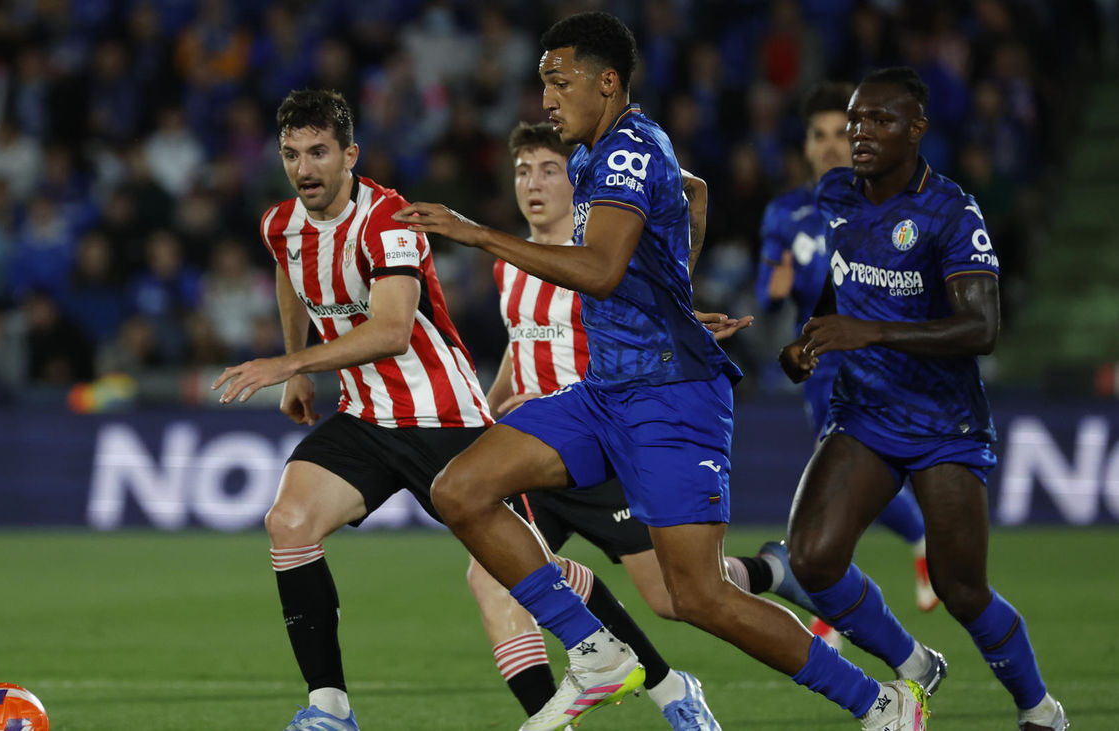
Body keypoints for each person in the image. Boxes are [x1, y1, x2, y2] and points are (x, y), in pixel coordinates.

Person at [394, 13, 929, 731]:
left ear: (607, 82)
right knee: (460, 489)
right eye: (543, 82)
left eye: (560, 81)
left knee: (698, 596)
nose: (546, 98)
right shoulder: (600, 151)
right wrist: (674, 293)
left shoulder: (624, 153)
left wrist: (475, 231)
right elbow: (696, 192)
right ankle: (595, 651)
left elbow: (602, 268)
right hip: (604, 391)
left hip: (671, 398)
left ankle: (878, 701)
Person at [212, 89, 714, 731]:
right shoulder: (280, 224)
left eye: (318, 153)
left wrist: (287, 365)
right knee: (289, 522)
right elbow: (290, 267)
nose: (305, 169)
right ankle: (329, 708)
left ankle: (660, 679)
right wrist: (295, 362)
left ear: (349, 155)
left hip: (442, 415)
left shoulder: (387, 218)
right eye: (291, 154)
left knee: (530, 570)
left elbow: (393, 330)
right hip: (368, 417)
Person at [780, 67, 1068, 731]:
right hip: (863, 412)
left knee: (960, 588)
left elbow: (982, 327)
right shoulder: (835, 195)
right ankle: (912, 661)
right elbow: (843, 278)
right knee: (812, 556)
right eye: (855, 121)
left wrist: (870, 329)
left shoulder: (951, 212)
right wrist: (815, 338)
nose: (861, 134)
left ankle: (1042, 711)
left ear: (916, 131)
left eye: (880, 121)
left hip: (944, 422)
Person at [470, 121, 733, 729]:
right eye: (522, 171)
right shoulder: (511, 267)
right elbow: (521, 342)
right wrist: (496, 403)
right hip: (541, 451)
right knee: (492, 577)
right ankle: (550, 713)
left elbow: (642, 322)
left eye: (548, 170)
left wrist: (685, 318)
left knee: (675, 598)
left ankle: (681, 678)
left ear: (577, 180)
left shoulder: (599, 263)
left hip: (605, 447)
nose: (533, 184)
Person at [753, 82, 938, 650]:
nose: (833, 144)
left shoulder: (877, 204)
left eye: (843, 132)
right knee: (848, 485)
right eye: (821, 135)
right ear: (805, 146)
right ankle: (918, 543)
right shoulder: (783, 214)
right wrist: (774, 287)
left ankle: (831, 607)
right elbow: (766, 296)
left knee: (837, 483)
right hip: (820, 370)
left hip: (877, 363)